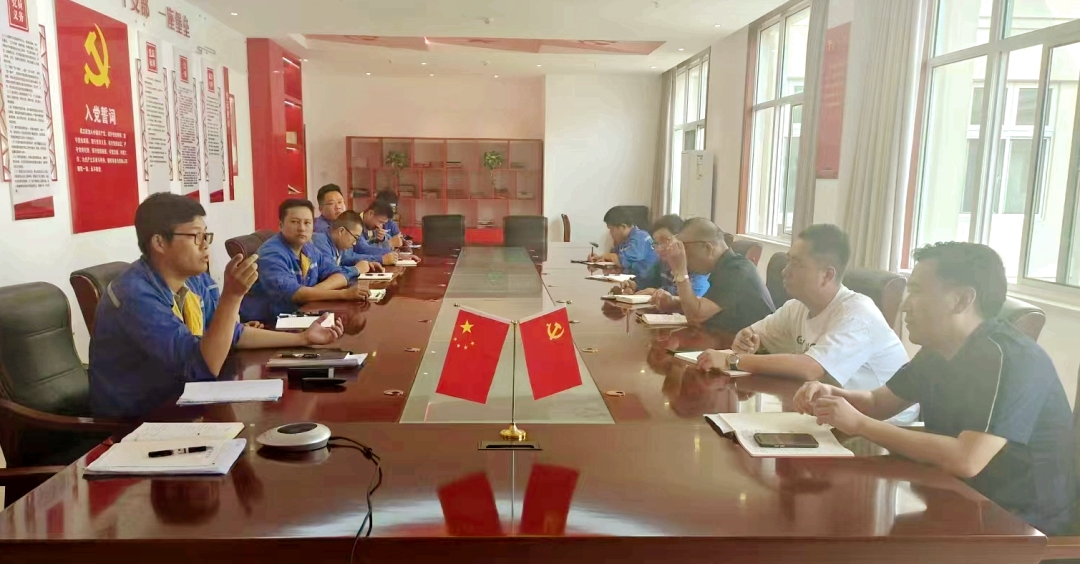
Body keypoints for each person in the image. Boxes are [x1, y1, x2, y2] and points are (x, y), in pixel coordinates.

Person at [794, 242, 1078, 536]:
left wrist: (860, 424)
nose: (905, 305)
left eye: (917, 291)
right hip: (962, 496)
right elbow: (877, 403)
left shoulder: (1011, 358)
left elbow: (967, 459)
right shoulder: (938, 349)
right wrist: (832, 394)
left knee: (850, 534)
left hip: (1021, 524)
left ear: (962, 300)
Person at [89, 193, 345, 419]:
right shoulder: (135, 295)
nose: (205, 245)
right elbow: (201, 367)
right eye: (195, 236)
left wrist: (303, 338)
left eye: (206, 235)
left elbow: (232, 333)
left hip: (187, 399)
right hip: (140, 418)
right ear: (159, 243)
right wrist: (232, 297)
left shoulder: (195, 278)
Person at [695, 224, 915, 422]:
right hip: (831, 414)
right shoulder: (797, 307)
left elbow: (811, 368)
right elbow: (754, 334)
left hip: (885, 426)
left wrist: (734, 360)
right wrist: (747, 341)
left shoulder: (858, 313)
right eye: (788, 260)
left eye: (796, 264)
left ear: (827, 275)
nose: (785, 271)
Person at [240, 199, 370, 323]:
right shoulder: (272, 254)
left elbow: (337, 272)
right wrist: (344, 294)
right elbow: (296, 294)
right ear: (280, 225)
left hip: (299, 315)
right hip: (266, 323)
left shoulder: (308, 248)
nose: (302, 228)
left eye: (307, 223)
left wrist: (313, 292)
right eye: (295, 222)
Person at [653, 218, 774, 332]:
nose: (685, 261)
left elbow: (696, 315)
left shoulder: (737, 270)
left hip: (756, 344)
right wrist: (673, 304)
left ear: (708, 248)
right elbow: (707, 305)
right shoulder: (723, 266)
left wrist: (680, 272)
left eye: (687, 254)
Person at [612, 214, 709, 297]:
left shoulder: (697, 267)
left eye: (664, 240)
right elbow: (647, 281)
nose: (659, 248)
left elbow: (693, 297)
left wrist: (656, 293)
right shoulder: (662, 263)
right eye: (656, 243)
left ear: (681, 239)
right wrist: (634, 285)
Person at [311, 210, 384, 284]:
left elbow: (348, 258)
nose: (355, 243)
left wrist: (368, 263)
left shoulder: (339, 244)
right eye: (355, 237)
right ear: (341, 231)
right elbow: (328, 272)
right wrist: (356, 269)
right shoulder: (320, 241)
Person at [587, 206, 659, 281]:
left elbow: (622, 259)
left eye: (612, 230)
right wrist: (597, 259)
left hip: (647, 283)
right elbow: (613, 257)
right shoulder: (625, 240)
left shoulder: (640, 237)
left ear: (623, 227)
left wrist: (608, 256)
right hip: (634, 282)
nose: (610, 234)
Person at [359, 200, 421, 266]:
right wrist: (389, 243)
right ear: (371, 213)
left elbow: (374, 248)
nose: (380, 226)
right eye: (380, 222)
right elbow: (363, 250)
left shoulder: (372, 225)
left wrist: (398, 256)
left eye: (383, 223)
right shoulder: (355, 224)